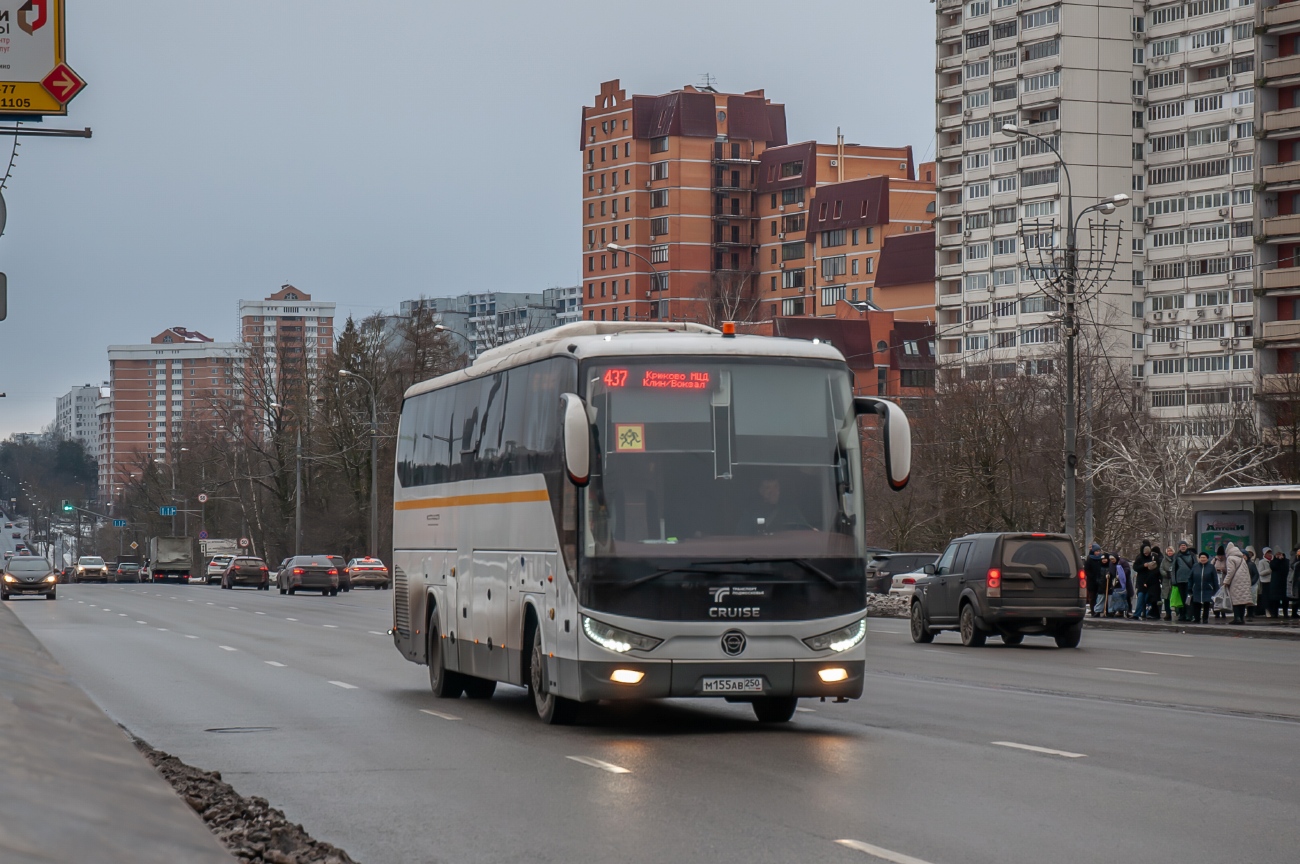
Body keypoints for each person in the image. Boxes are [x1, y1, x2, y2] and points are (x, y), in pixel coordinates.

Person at [1222, 542, 1253, 625]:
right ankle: (1241, 618)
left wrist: (1226, 581)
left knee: (1235, 600)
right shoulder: (1242, 558)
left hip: (1236, 581)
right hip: (1245, 581)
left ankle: (1237, 618)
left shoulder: (1230, 558)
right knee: (1242, 600)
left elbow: (1230, 571)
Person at [1187, 551, 1218, 624]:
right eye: (1201, 557)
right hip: (1197, 588)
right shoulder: (1195, 566)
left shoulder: (1211, 567)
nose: (1203, 559)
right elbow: (1190, 578)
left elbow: (1215, 579)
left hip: (1207, 589)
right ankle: (1197, 618)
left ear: (1207, 558)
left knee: (1206, 605)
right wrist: (1190, 587)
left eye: (1204, 557)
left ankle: (1205, 618)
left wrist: (1216, 589)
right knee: (1196, 604)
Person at [1134, 544, 1161, 621]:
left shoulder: (1153, 557)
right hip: (1142, 581)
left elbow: (1157, 568)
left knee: (1148, 599)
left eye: (1147, 553)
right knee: (1141, 597)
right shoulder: (1139, 558)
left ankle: (1147, 613)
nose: (1146, 555)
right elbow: (1135, 567)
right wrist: (1143, 566)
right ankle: (1137, 614)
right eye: (1145, 553)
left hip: (1151, 582)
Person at [1173, 541, 1195, 623]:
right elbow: (1174, 569)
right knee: (1181, 599)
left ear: (1187, 547)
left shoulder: (1192, 555)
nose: (1183, 547)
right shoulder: (1177, 556)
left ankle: (1189, 615)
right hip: (1180, 580)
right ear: (1179, 547)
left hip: (1189, 581)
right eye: (1181, 545)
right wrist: (1174, 580)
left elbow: (1195, 566)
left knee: (1189, 598)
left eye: (1184, 545)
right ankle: (1182, 615)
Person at [1268, 546, 1290, 619]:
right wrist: (1277, 560)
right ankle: (1275, 614)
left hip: (1284, 582)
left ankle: (1285, 613)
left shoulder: (1287, 561)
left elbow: (1287, 568)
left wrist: (1282, 559)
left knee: (1285, 600)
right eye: (1277, 554)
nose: (1278, 555)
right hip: (1276, 583)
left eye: (1279, 554)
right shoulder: (1273, 561)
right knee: (1275, 600)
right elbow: (1273, 567)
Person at [1085, 543, 1105, 618]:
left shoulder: (1101, 559)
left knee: (1099, 596)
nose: (1098, 553)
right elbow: (1086, 570)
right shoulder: (1089, 559)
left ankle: (1098, 610)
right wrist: (1092, 576)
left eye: (1099, 551)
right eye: (1096, 551)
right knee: (1092, 596)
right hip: (1092, 581)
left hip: (1099, 580)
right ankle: (1093, 611)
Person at [1160, 546, 1175, 621]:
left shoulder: (1176, 559)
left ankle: (1178, 612)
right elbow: (1161, 569)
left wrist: (1172, 574)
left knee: (1175, 597)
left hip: (1174, 581)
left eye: (1171, 551)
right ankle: (1168, 613)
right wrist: (1166, 574)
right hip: (1166, 581)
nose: (1169, 552)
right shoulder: (1164, 560)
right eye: (1168, 551)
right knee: (1166, 598)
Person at [1214, 545, 1228, 619]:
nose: (1220, 557)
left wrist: (1223, 569)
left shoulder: (1227, 560)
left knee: (1223, 598)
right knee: (1216, 598)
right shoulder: (1214, 560)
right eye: (1219, 555)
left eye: (1221, 555)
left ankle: (1223, 612)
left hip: (1224, 581)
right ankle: (1216, 612)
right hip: (1216, 581)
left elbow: (1229, 570)